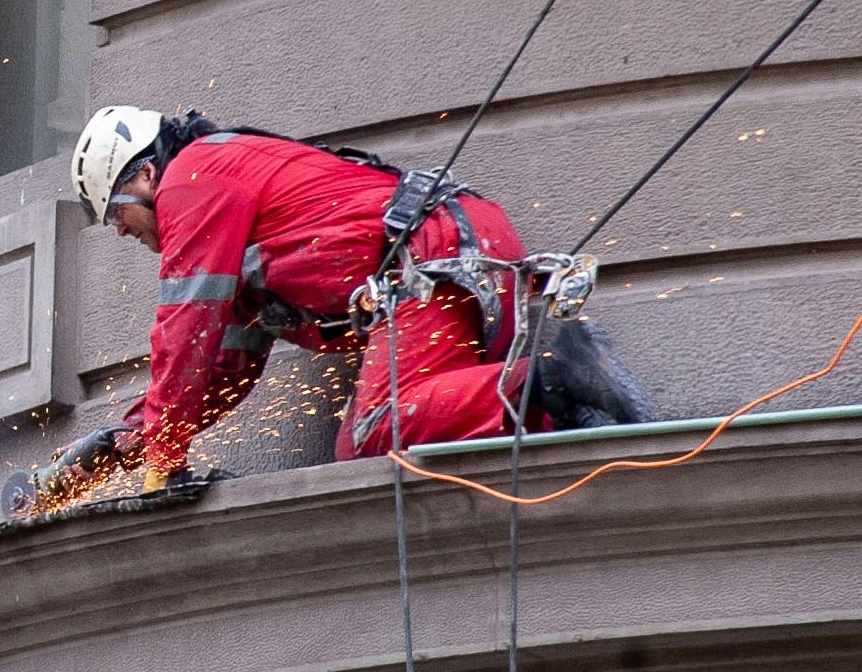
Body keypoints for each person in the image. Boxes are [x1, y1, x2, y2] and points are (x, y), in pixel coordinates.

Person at [54, 105, 654, 498]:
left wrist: (166, 458)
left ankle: (554, 373)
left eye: (115, 214)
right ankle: (565, 413)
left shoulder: (194, 178)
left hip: (428, 250)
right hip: (458, 244)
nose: (122, 233)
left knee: (370, 433)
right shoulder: (232, 224)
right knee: (423, 416)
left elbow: (185, 330)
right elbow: (220, 373)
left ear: (144, 175)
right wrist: (125, 443)